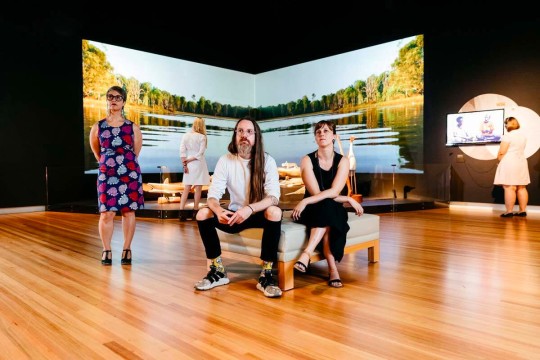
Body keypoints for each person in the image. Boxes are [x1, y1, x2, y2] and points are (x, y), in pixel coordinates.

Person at [194, 117, 283, 298]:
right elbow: (212, 196)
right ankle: (218, 271)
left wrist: (250, 209)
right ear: (235, 136)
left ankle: (266, 274)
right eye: (240, 131)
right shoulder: (225, 161)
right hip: (235, 215)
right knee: (203, 213)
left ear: (256, 136)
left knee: (275, 211)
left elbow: (274, 197)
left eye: (249, 132)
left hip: (258, 214)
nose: (244, 135)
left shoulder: (267, 161)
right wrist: (218, 211)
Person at [291, 120, 364, 288]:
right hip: (312, 209)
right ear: (315, 138)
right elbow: (319, 195)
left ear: (333, 136)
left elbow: (333, 192)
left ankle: (306, 254)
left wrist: (305, 200)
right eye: (318, 132)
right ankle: (332, 269)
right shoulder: (307, 160)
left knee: (329, 210)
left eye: (326, 131)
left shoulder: (343, 161)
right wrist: (346, 199)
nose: (321, 134)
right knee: (327, 209)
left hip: (319, 205)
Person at [89, 86, 144, 265]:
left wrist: (123, 163)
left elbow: (135, 153)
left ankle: (127, 248)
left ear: (123, 102)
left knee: (128, 212)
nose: (113, 99)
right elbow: (97, 152)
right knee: (106, 213)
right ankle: (106, 249)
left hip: (129, 173)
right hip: (107, 173)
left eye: (118, 97)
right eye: (110, 96)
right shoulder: (98, 126)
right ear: (107, 99)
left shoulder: (132, 127)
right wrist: (107, 162)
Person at [493, 116, 530, 217]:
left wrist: (499, 159)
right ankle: (522, 211)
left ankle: (509, 212)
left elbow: (502, 152)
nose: (505, 125)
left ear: (509, 124)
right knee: (521, 187)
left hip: (509, 162)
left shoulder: (508, 136)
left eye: (506, 123)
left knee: (509, 187)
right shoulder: (523, 136)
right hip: (521, 162)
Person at [179, 117, 210, 220]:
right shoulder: (202, 137)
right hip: (198, 164)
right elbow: (200, 154)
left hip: (189, 164)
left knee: (186, 188)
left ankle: (181, 212)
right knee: (198, 189)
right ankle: (195, 212)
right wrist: (188, 161)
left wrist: (185, 163)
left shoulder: (185, 136)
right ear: (202, 125)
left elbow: (182, 152)